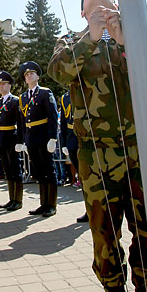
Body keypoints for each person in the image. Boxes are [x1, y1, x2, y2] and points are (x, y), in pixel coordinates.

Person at [48, 0, 147, 292]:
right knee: (105, 238)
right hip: (97, 157)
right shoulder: (71, 42)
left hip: (139, 151)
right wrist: (93, 36)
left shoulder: (131, 34)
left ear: (115, 3)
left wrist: (127, 37)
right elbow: (59, 72)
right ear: (83, 12)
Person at [18, 62, 58, 218]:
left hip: (44, 137)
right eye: (26, 75)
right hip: (31, 139)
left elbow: (52, 115)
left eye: (31, 73)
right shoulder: (23, 97)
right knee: (39, 173)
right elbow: (22, 122)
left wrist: (53, 138)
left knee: (49, 171)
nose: (28, 76)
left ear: (37, 76)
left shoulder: (44, 93)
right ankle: (43, 204)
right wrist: (22, 141)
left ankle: (51, 205)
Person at [0, 70, 24, 211]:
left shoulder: (16, 100)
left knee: (15, 168)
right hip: (1, 137)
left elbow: (21, 121)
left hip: (12, 136)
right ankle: (11, 199)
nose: (0, 86)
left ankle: (18, 200)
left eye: (3, 84)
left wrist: (20, 140)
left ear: (9, 85)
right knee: (7, 169)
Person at [59, 88, 88, 221]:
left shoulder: (85, 91)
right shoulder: (65, 97)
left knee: (89, 176)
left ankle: (93, 210)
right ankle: (88, 209)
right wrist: (64, 143)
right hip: (72, 139)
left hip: (86, 137)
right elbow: (64, 121)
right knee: (82, 176)